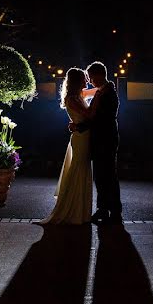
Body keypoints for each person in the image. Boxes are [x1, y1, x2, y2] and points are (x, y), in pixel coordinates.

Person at [39, 68, 98, 225]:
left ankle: (80, 210)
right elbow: (89, 115)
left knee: (82, 168)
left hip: (82, 135)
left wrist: (100, 90)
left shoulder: (78, 96)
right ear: (77, 81)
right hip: (81, 137)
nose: (87, 81)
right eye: (84, 79)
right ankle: (73, 209)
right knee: (79, 169)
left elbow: (95, 91)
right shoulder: (72, 99)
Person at [72, 61, 121, 224]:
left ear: (99, 75)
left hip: (105, 139)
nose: (90, 81)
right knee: (102, 175)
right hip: (102, 138)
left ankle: (113, 210)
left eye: (92, 77)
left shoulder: (108, 94)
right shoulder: (103, 91)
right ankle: (104, 209)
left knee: (107, 175)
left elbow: (99, 119)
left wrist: (79, 127)